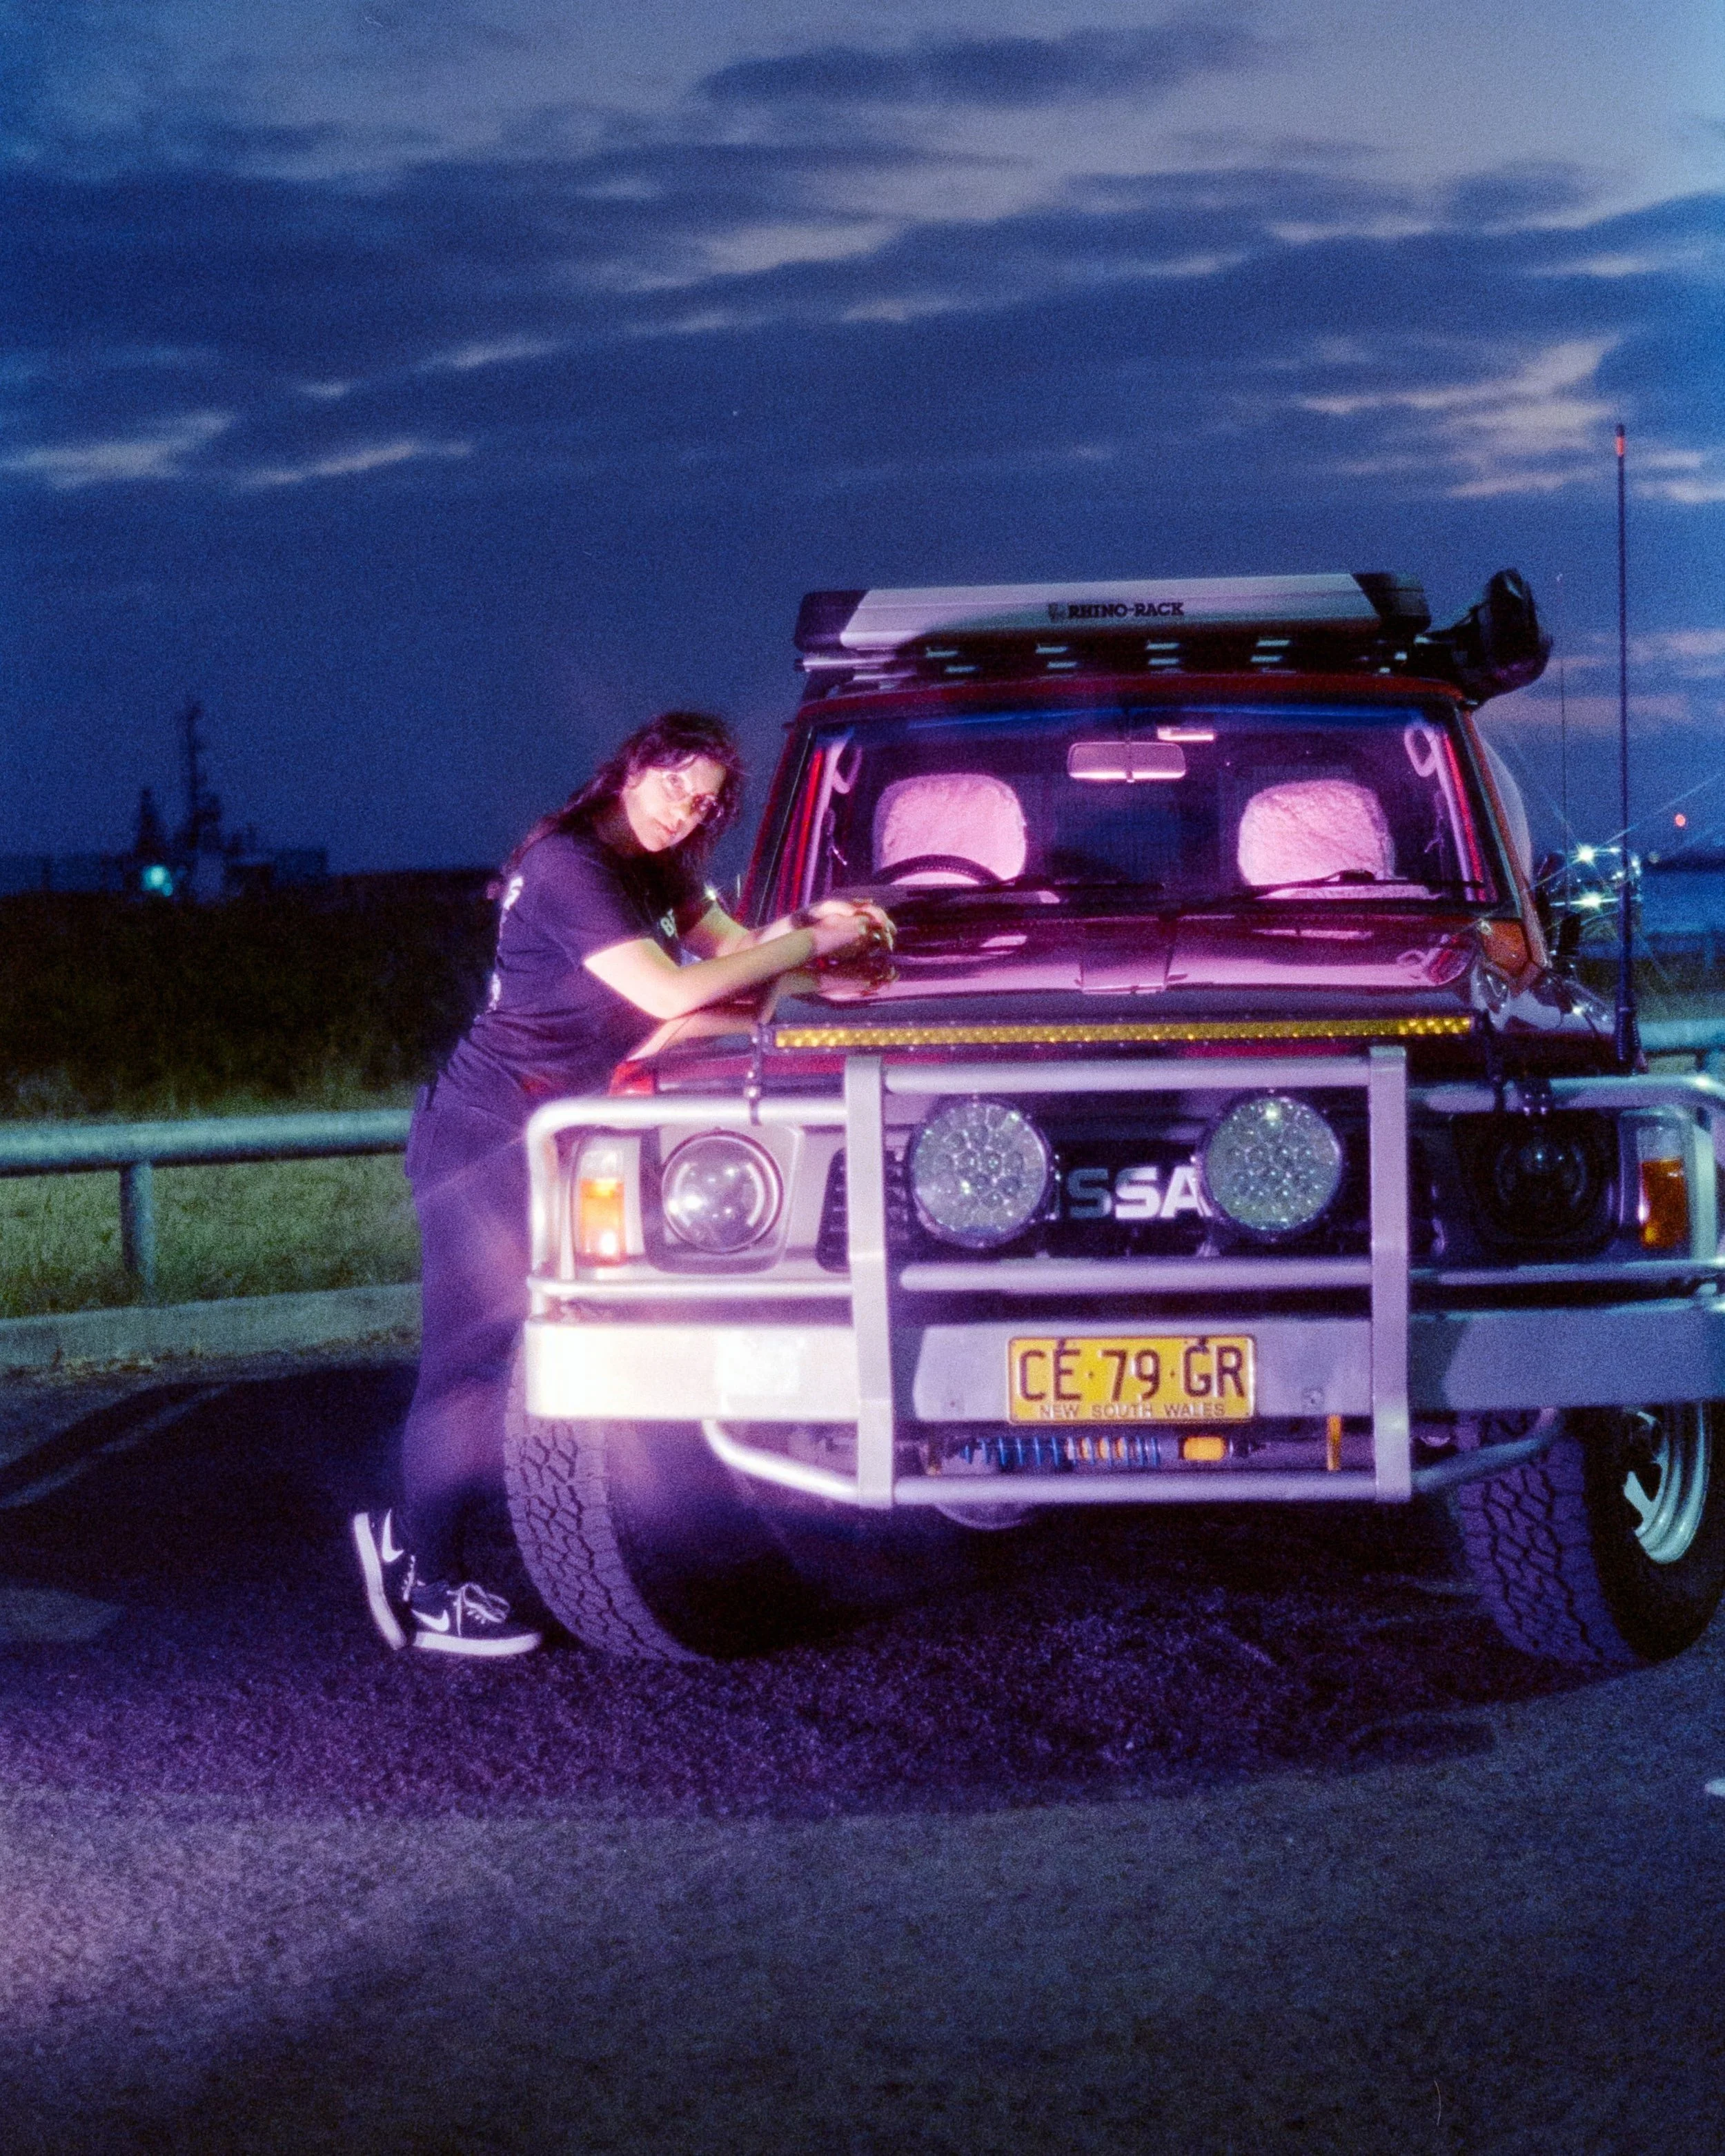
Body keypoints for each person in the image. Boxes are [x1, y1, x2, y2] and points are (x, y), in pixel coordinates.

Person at [351, 710, 891, 1657]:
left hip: (563, 1134)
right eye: (674, 788)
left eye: (707, 804)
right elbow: (675, 994)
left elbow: (733, 957)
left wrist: (821, 942)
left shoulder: (659, 866)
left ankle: (409, 1538)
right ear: (631, 771)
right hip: (484, 1136)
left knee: (512, 1356)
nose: (686, 814)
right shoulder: (570, 867)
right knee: (472, 1369)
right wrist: (810, 943)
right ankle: (428, 1587)